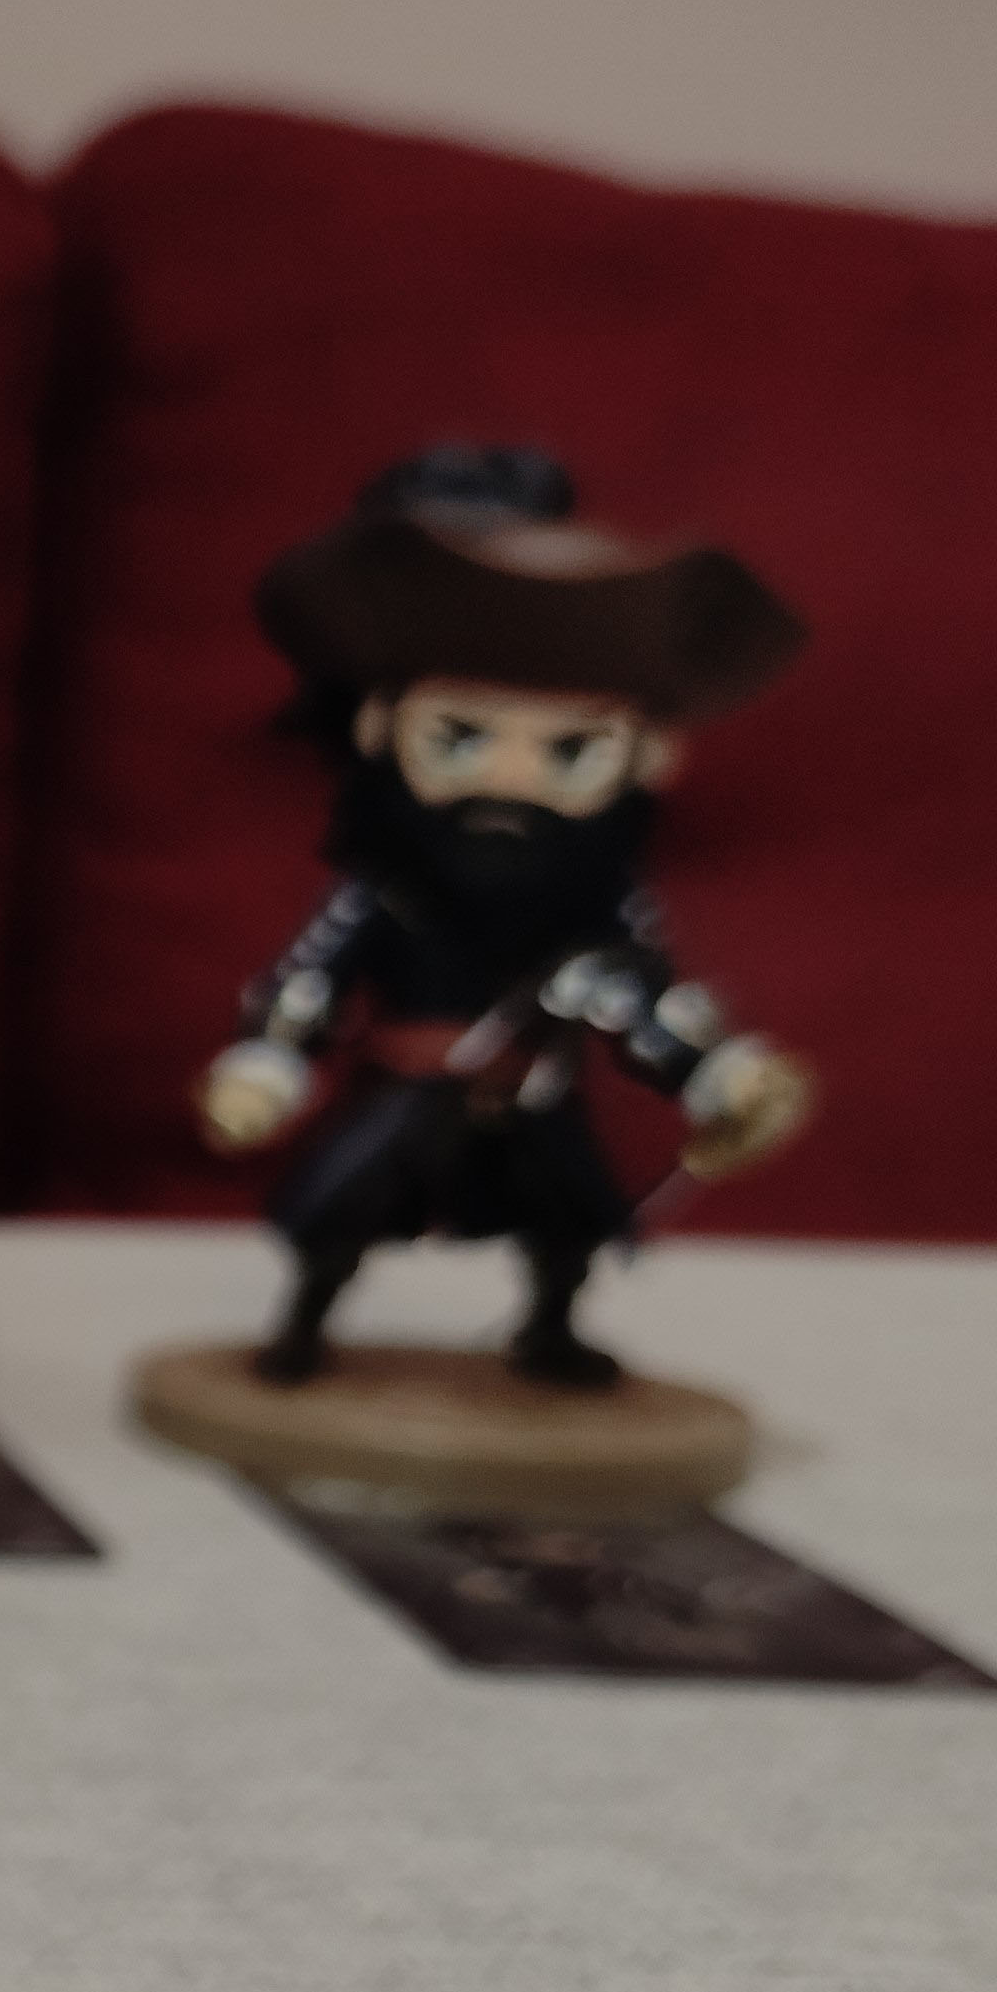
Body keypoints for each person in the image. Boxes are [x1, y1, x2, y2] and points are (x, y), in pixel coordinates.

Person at [199, 447, 816, 1386]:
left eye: (569, 752)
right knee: (342, 1212)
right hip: (414, 1083)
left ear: (650, 758)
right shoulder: (390, 889)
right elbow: (312, 976)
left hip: (531, 1091)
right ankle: (304, 1326)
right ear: (381, 728)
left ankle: (549, 1330)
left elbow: (639, 992)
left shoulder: (597, 898)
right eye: (463, 737)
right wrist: (269, 1063)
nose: (514, 777)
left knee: (569, 1220)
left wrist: (713, 1075)